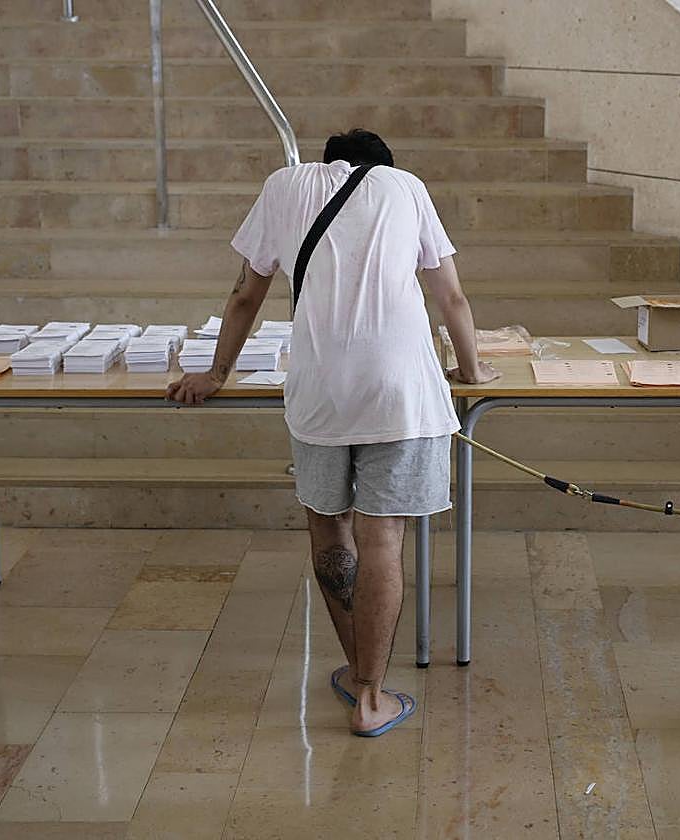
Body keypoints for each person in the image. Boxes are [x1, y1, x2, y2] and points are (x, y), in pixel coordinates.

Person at [167, 128, 499, 736]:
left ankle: (355, 670)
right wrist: (473, 372)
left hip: (319, 391)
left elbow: (244, 296)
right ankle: (372, 696)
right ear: (381, 166)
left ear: (331, 164)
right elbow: (450, 296)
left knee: (328, 527)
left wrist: (216, 374)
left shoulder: (284, 186)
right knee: (383, 538)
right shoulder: (405, 186)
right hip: (399, 393)